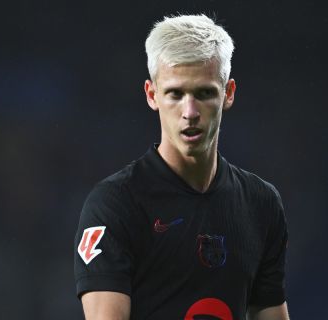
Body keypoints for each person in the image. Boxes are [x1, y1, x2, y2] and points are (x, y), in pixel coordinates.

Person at [74, 14, 290, 320]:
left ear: (227, 93)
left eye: (204, 93)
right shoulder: (115, 204)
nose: (190, 112)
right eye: (176, 94)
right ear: (152, 95)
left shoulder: (261, 204)